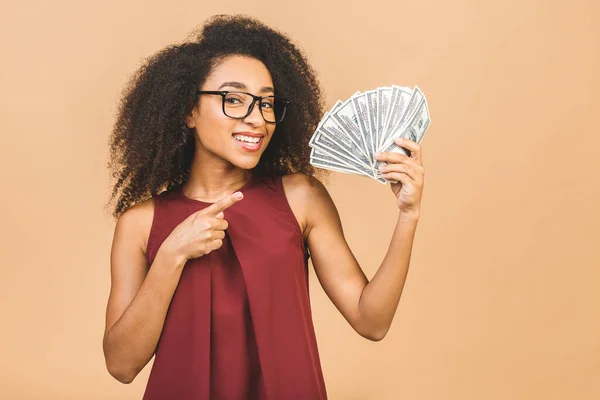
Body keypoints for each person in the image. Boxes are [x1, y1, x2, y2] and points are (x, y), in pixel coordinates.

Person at [102, 14, 425, 400]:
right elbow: (121, 365)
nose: (257, 119)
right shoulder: (139, 223)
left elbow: (371, 321)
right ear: (188, 110)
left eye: (267, 103)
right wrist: (171, 255)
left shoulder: (301, 198)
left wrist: (408, 215)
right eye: (234, 99)